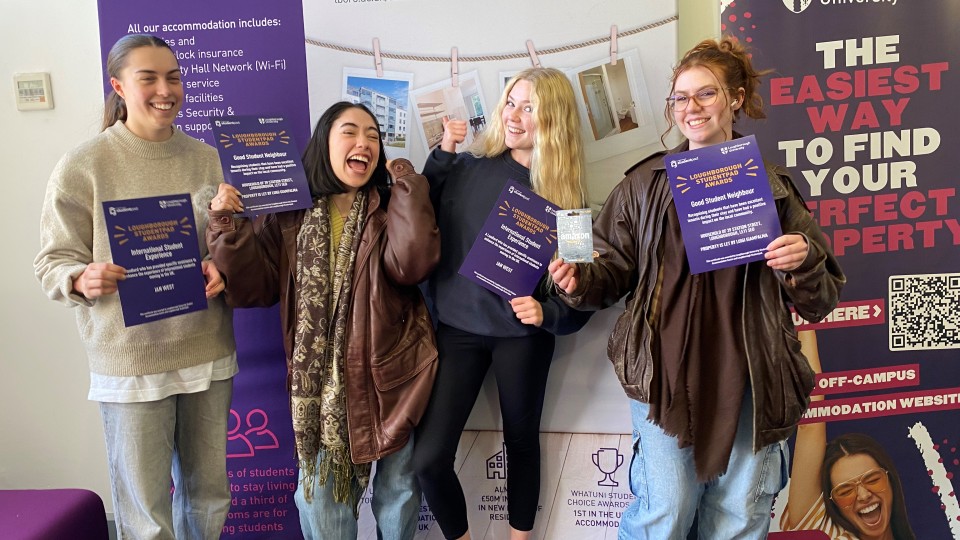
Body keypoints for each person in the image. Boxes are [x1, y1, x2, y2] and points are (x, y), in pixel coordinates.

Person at [549, 37, 846, 539]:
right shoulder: (642, 185)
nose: (691, 108)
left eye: (705, 94)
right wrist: (577, 280)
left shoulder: (774, 187)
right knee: (665, 512)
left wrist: (803, 258)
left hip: (753, 376)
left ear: (733, 98)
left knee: (736, 519)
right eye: (680, 98)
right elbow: (609, 268)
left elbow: (821, 299)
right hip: (664, 376)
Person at [33, 34, 237, 539]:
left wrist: (221, 263)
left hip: (205, 350)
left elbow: (225, 245)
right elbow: (51, 261)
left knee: (209, 498)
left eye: (173, 77)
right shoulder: (84, 165)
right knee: (144, 513)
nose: (165, 89)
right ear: (119, 86)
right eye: (149, 78)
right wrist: (81, 277)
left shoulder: (207, 158)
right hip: (130, 360)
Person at [206, 101, 439, 540]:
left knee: (399, 494)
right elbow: (255, 285)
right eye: (350, 132)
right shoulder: (290, 213)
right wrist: (224, 224)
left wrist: (407, 180)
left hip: (396, 376)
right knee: (320, 504)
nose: (364, 143)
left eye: (373, 135)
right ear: (323, 144)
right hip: (323, 387)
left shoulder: (390, 205)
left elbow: (412, 264)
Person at [412, 67, 592, 540]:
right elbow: (416, 215)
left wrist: (548, 312)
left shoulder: (568, 199)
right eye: (510, 102)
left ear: (553, 120)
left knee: (521, 443)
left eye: (529, 107)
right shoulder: (468, 166)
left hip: (522, 338)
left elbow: (584, 293)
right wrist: (441, 156)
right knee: (429, 458)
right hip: (458, 329)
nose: (514, 115)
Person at [782, 331, 915, 540]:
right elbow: (811, 420)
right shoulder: (824, 532)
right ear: (832, 502)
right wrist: (806, 318)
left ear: (891, 481)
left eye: (872, 479)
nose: (863, 495)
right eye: (845, 491)